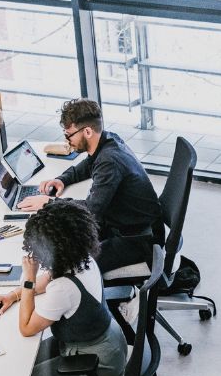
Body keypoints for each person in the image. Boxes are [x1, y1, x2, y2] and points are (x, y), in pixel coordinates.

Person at [0, 200, 127, 376]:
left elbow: (27, 327)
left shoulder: (65, 288)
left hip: (98, 363)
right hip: (105, 343)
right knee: (19, 364)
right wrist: (13, 295)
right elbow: (47, 280)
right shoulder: (81, 258)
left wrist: (28, 278)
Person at [17, 98, 163, 273]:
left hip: (137, 238)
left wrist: (49, 203)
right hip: (127, 223)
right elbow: (89, 164)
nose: (67, 141)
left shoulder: (109, 162)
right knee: (64, 241)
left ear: (87, 131)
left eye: (69, 135)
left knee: (72, 266)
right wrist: (63, 179)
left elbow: (91, 210)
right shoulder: (108, 141)